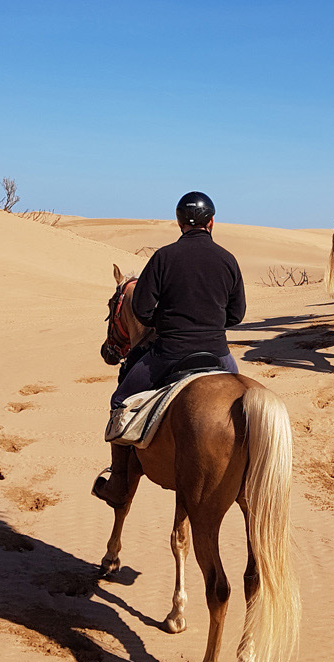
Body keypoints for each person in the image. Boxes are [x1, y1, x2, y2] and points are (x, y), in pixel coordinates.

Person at [91, 191, 246, 509]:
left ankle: (119, 483)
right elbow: (237, 314)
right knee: (241, 402)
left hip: (169, 353)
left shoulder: (163, 258)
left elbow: (143, 311)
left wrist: (166, 320)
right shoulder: (228, 260)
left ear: (179, 223)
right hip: (218, 354)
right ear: (212, 222)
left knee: (120, 400)